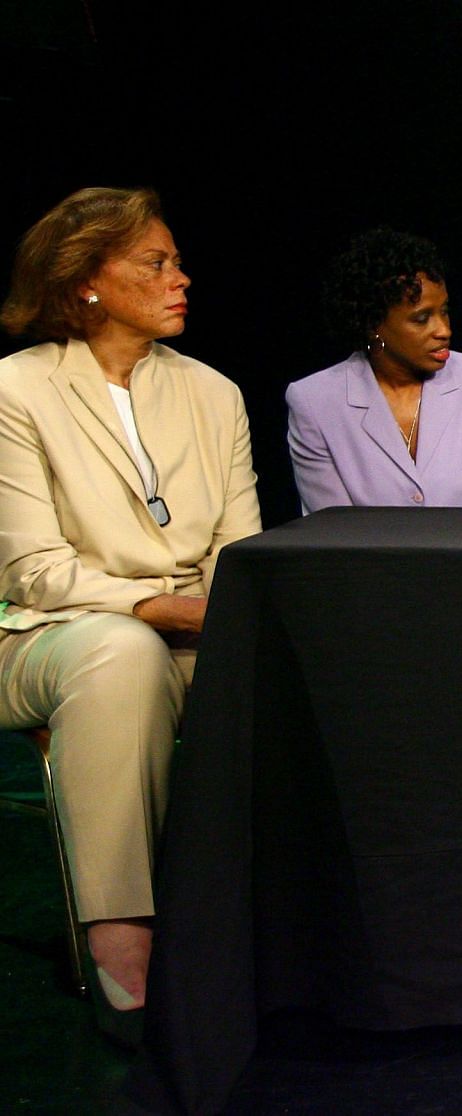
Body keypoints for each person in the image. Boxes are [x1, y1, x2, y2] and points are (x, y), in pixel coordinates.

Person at [0, 187, 262, 1015]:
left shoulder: (214, 394)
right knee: (122, 652)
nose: (181, 277)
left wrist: (221, 617)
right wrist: (170, 610)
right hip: (50, 637)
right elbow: (36, 572)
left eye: (178, 260)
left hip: (195, 635)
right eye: (156, 262)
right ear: (85, 279)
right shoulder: (17, 391)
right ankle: (118, 924)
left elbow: (239, 558)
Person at [286, 228, 462, 511]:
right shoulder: (315, 402)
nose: (444, 330)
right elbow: (332, 532)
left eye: (445, 311)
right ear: (373, 324)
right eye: (421, 319)